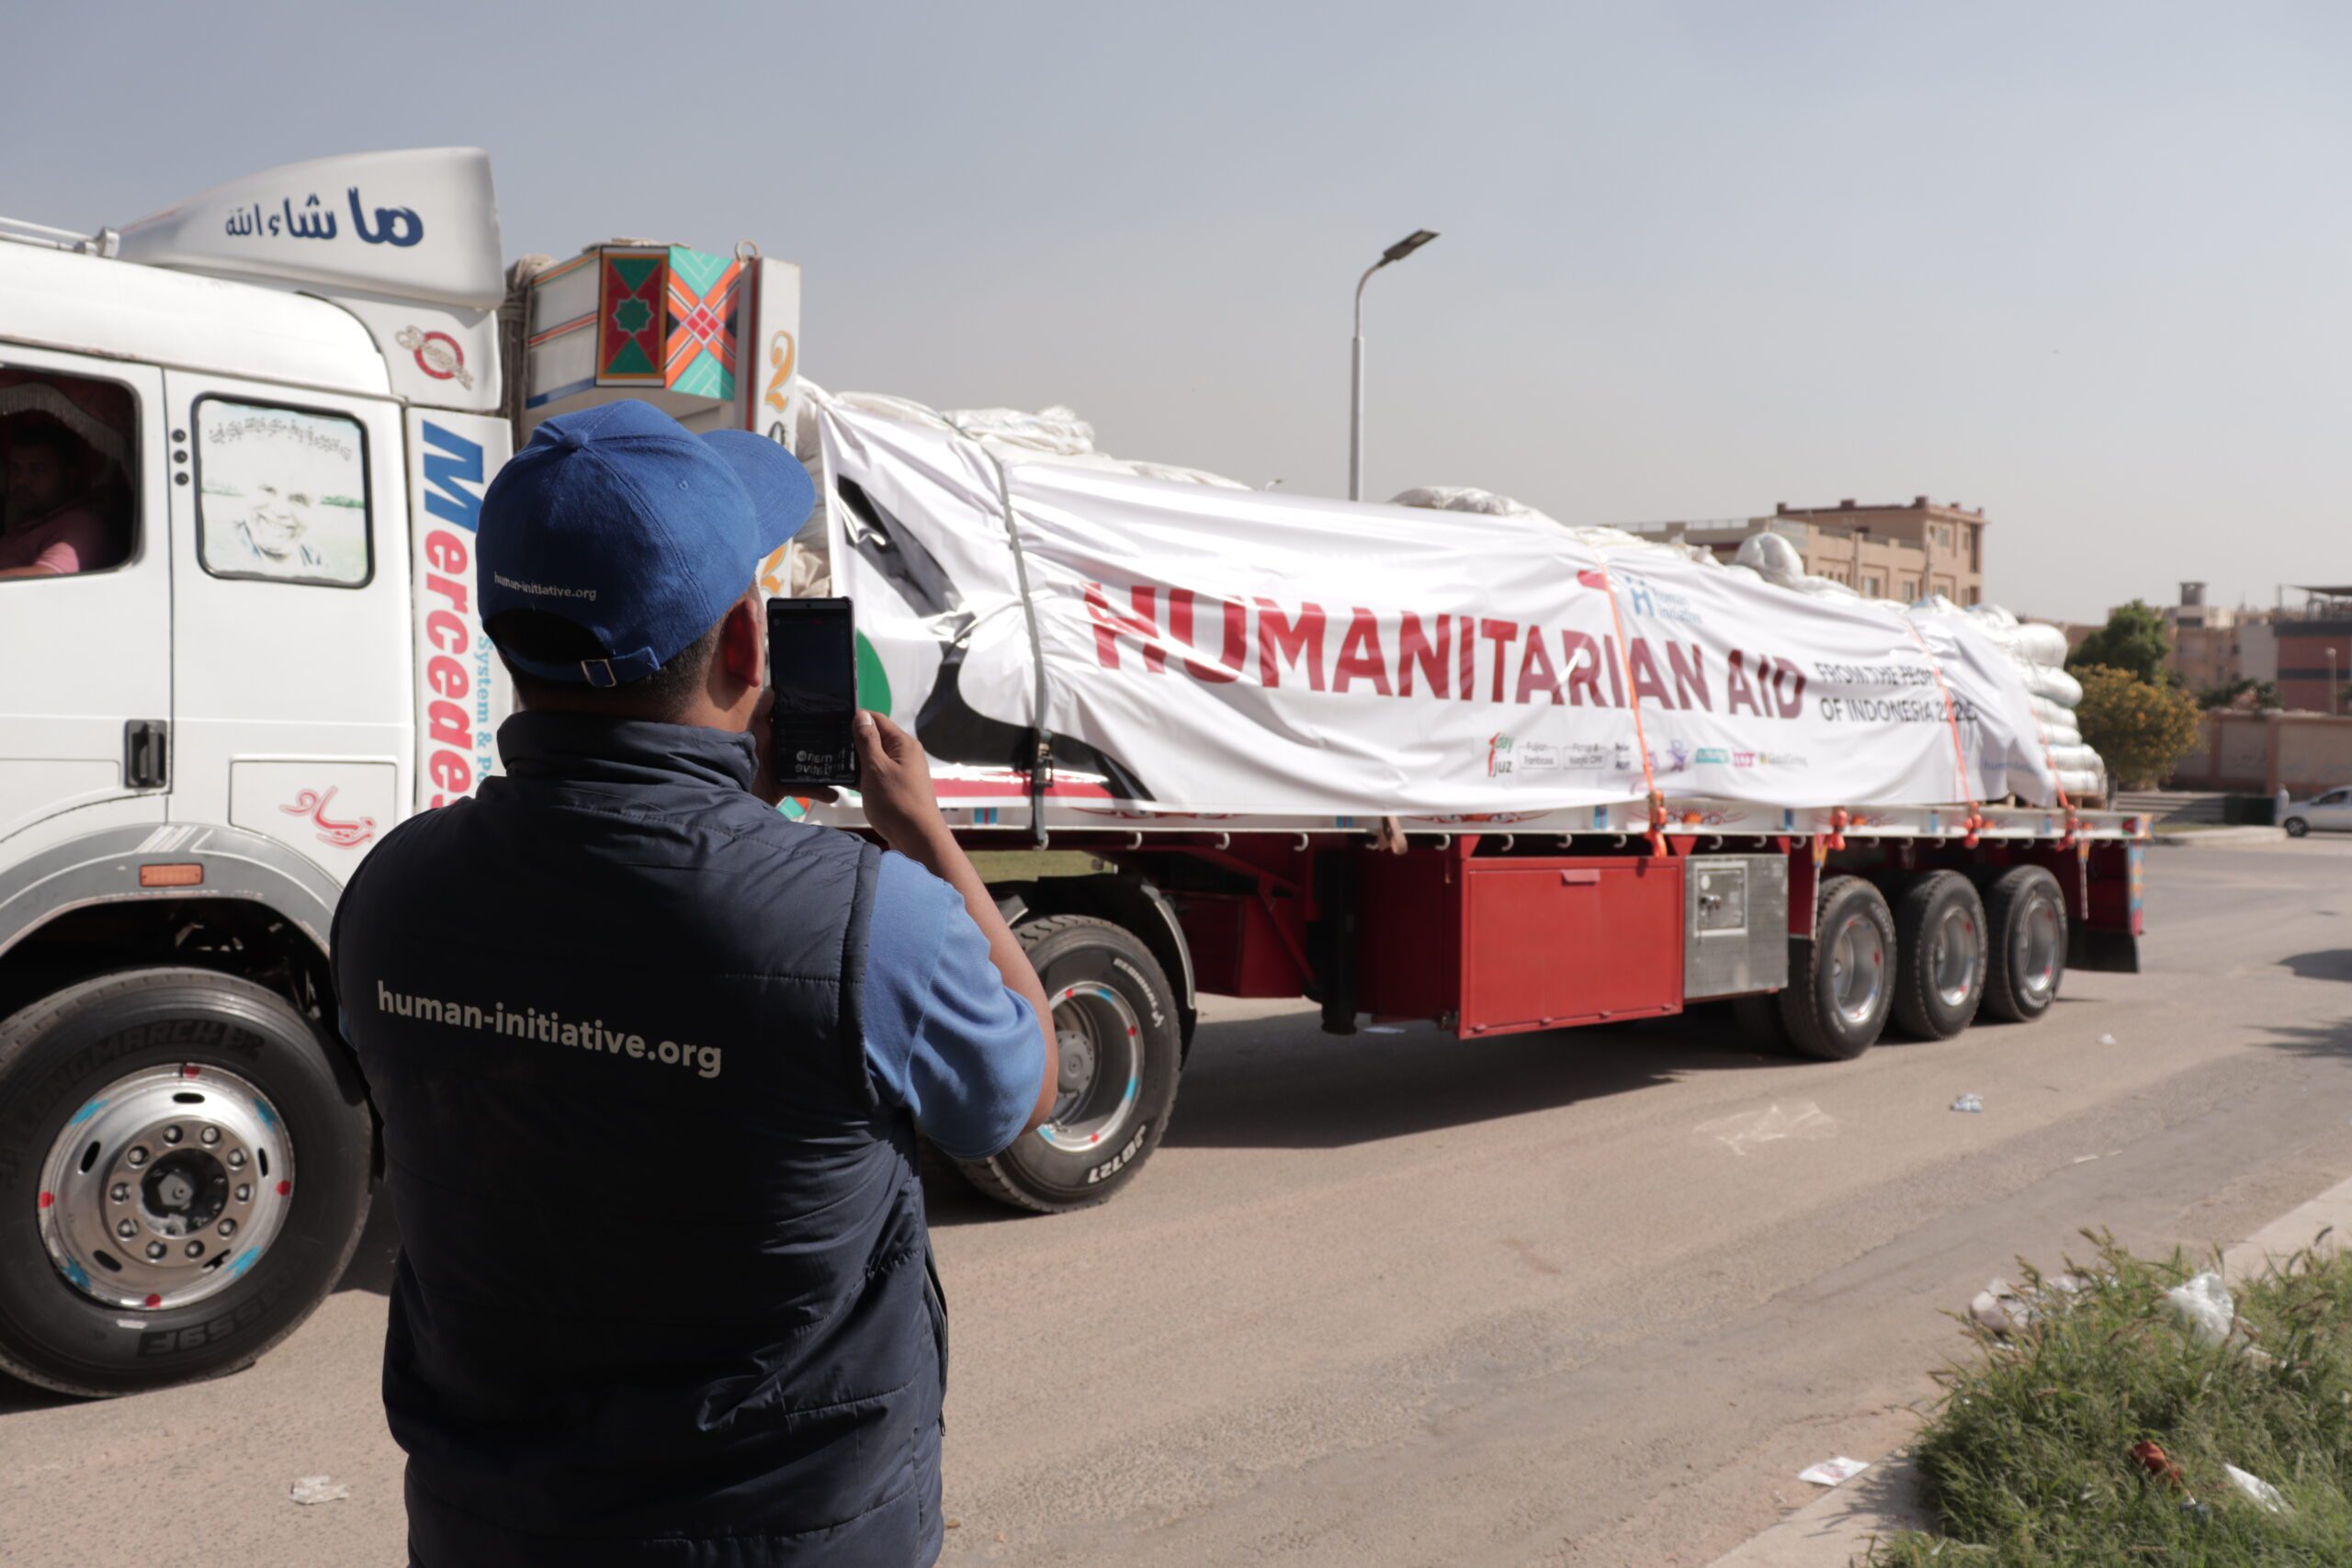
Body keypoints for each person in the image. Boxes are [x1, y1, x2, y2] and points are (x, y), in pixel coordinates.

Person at [330, 399, 1057, 1567]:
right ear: (744, 646)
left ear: (505, 636)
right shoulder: (869, 918)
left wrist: (725, 822)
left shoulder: (393, 891)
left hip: (489, 1527)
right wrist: (921, 834)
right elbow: (1015, 1093)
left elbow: (592, 1022)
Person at [1, 414, 116, 578]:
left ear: (69, 477)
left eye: (36, 470)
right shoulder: (27, 526)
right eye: (15, 469)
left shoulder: (81, 525)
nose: (21, 480)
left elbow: (46, 576)